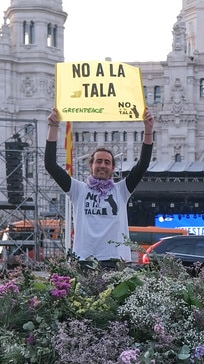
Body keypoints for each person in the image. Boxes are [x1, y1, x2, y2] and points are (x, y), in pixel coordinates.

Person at [44, 107, 155, 265]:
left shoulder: (121, 190)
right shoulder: (78, 190)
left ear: (113, 168)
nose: (103, 165)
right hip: (84, 259)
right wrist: (53, 127)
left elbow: (143, 164)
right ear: (91, 165)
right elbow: (50, 165)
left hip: (115, 260)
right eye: (99, 161)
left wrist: (148, 130)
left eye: (107, 162)